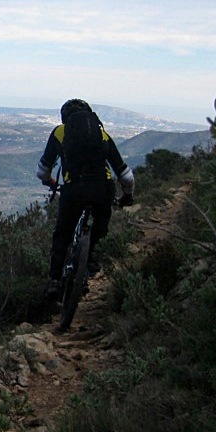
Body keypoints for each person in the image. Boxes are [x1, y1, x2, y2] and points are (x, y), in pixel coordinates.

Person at [36, 98, 135, 306]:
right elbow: (126, 175)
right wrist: (127, 196)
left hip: (74, 190)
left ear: (64, 117)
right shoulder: (102, 134)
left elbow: (42, 172)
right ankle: (90, 266)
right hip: (103, 189)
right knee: (101, 227)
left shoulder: (59, 133)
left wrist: (52, 182)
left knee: (63, 233)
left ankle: (54, 280)